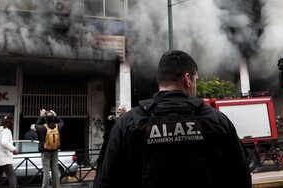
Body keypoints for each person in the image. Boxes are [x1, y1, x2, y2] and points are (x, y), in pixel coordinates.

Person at [94, 50, 251, 188]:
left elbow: (105, 181)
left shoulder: (127, 123)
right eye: (196, 80)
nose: (195, 85)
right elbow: (241, 178)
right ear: (187, 79)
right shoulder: (217, 120)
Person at [95, 105, 128, 176]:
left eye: (119, 110)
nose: (118, 111)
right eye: (118, 110)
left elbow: (120, 120)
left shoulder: (125, 119)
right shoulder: (117, 121)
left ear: (124, 111)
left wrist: (113, 117)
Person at [35, 109, 64, 188]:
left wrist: (41, 116)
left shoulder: (43, 128)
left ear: (45, 119)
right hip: (55, 151)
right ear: (53, 118)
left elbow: (36, 125)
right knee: (55, 170)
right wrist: (55, 116)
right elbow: (62, 122)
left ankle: (45, 187)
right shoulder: (58, 127)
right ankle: (56, 186)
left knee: (46, 171)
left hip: (45, 152)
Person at [0, 115, 19, 188]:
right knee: (12, 175)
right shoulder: (6, 131)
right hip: (4, 158)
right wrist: (13, 149)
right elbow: (4, 142)